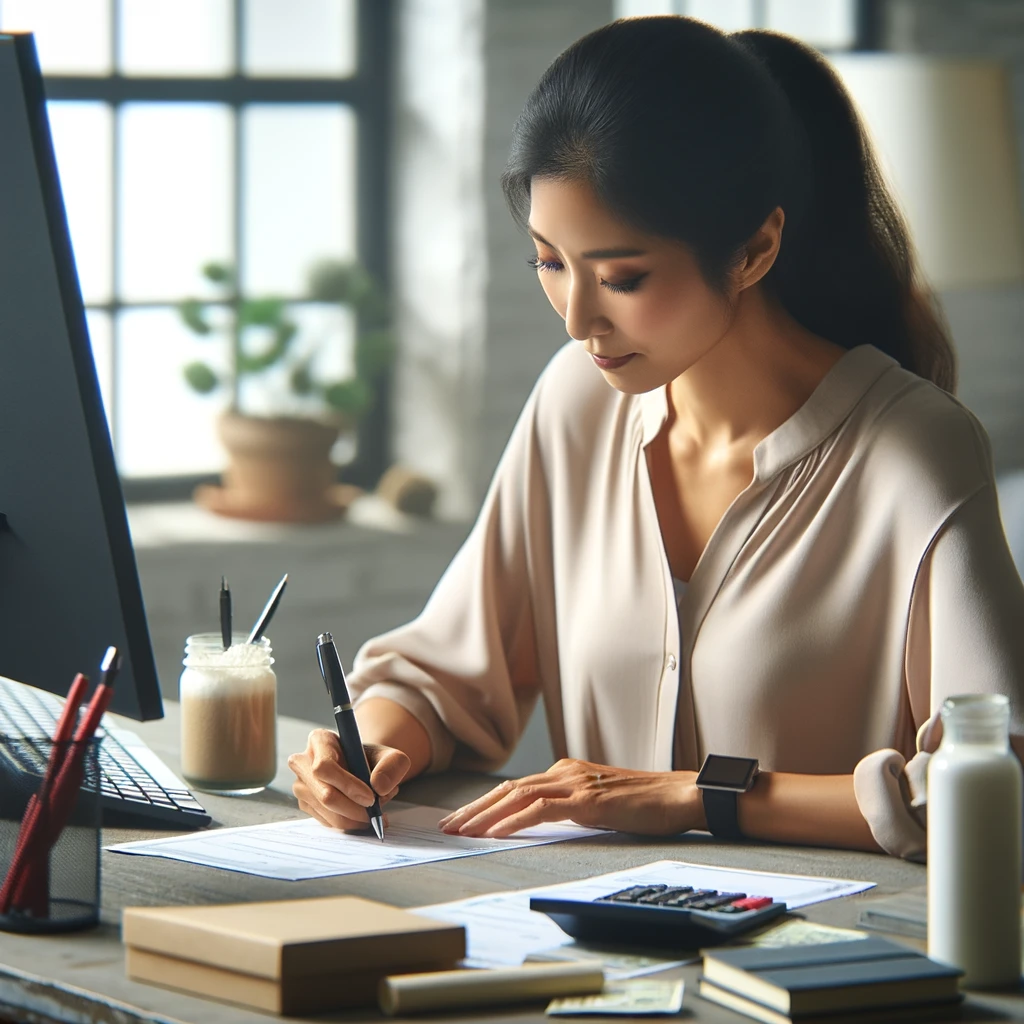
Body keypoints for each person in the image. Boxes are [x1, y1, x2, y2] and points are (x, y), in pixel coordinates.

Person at [288, 16, 1024, 860]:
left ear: (754, 249)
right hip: (585, 952)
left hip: (817, 966)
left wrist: (693, 796)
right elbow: (446, 672)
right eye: (549, 262)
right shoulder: (575, 405)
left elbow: (996, 780)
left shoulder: (912, 451)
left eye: (623, 277)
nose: (577, 319)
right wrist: (372, 745)